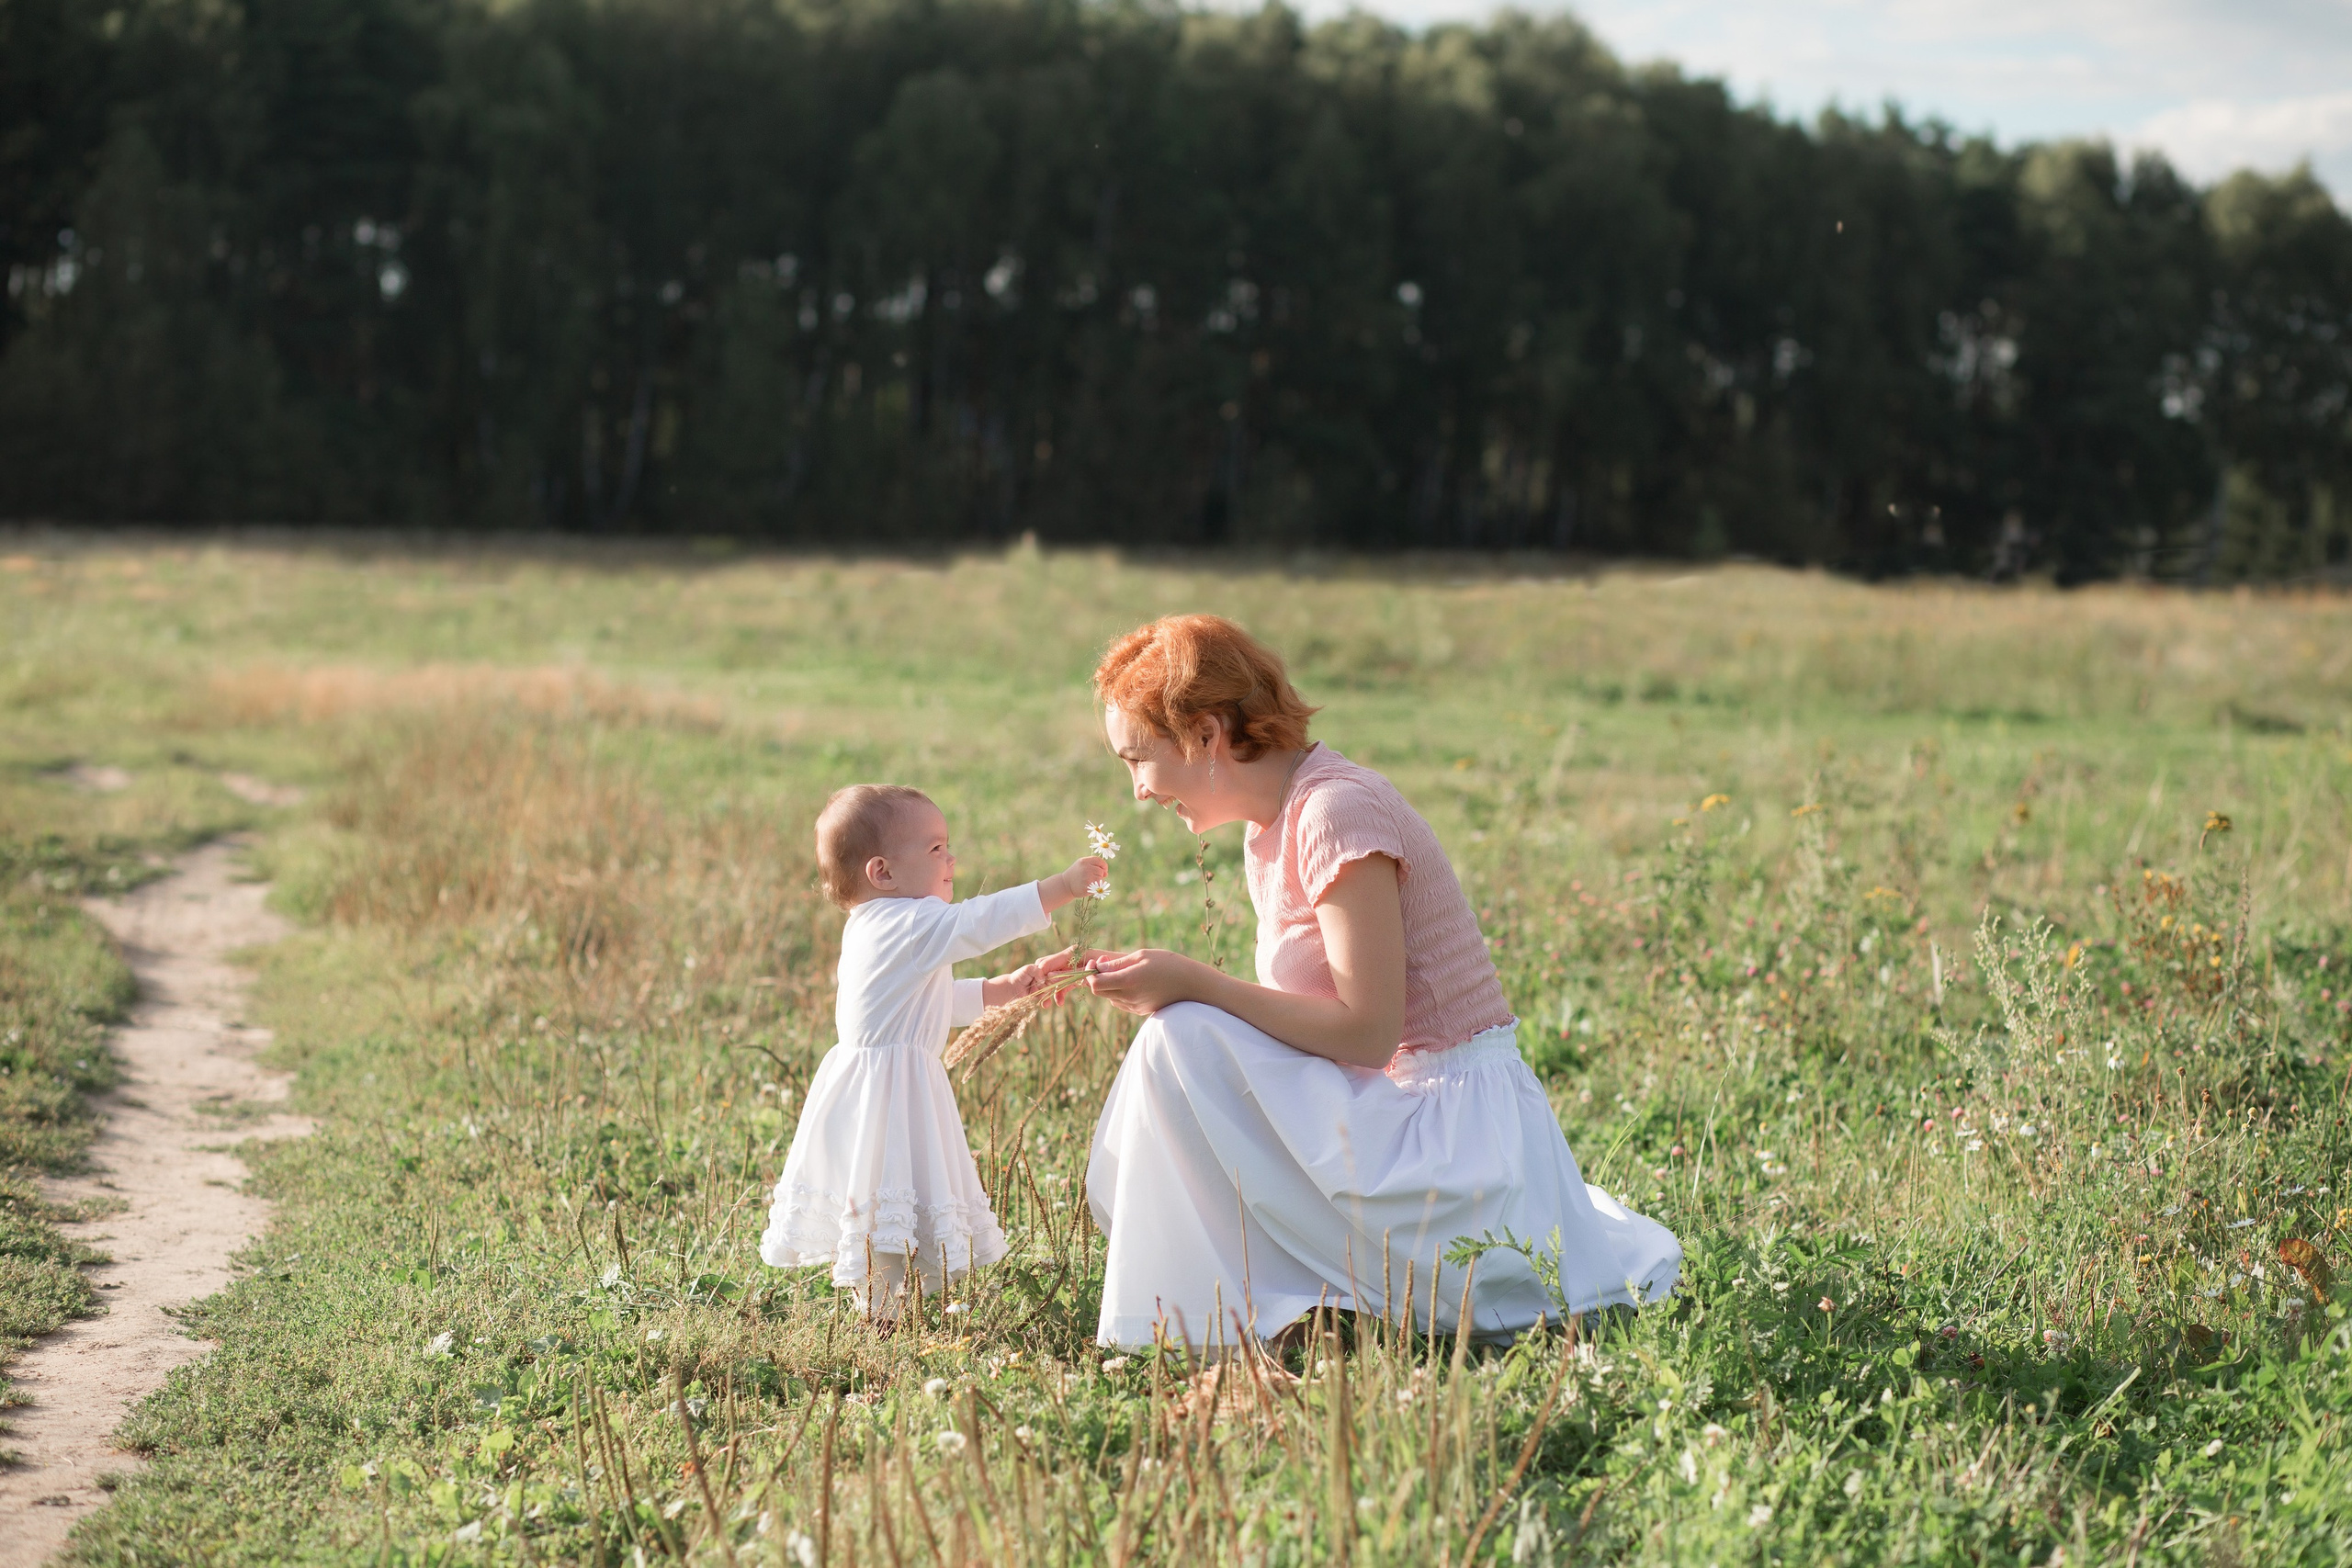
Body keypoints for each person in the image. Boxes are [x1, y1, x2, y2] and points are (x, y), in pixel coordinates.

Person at [1069, 615, 1681, 1350]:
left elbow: (1368, 1032)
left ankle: (1253, 1307)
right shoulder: (1269, 824)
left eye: (1139, 757)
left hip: (1457, 1144)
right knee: (1184, 1035)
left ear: (1206, 735)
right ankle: (1259, 1301)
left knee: (1183, 1032)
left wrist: (1197, 982)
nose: (1138, 790)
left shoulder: (1335, 809)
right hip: (1396, 1108)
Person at [758, 784, 1104, 1324]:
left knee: (890, 1193)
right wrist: (1060, 887)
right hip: (891, 1092)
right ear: (883, 873)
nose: (952, 858)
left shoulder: (877, 926)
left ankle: (895, 1305)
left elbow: (926, 1001)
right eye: (935, 848)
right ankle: (884, 1311)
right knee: (891, 1188)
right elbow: (977, 922)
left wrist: (1004, 988)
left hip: (884, 1081)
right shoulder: (908, 921)